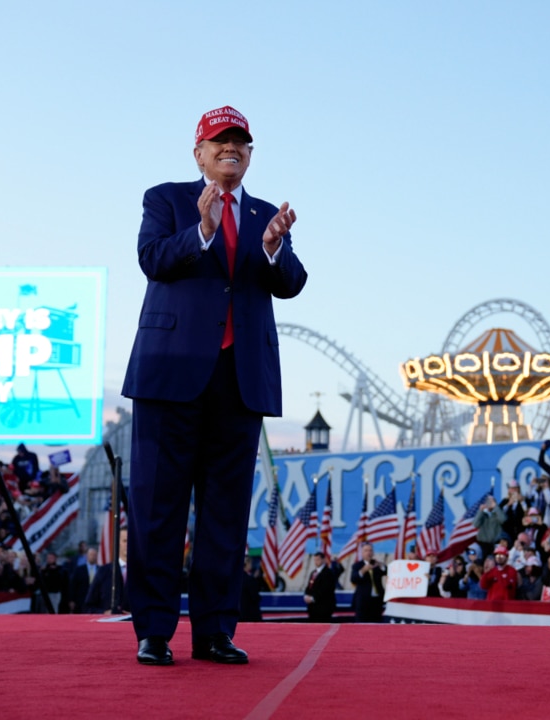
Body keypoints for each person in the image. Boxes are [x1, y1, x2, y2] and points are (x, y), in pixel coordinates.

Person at [121, 106, 306, 667]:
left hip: (240, 378)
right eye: (220, 141)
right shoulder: (167, 199)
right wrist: (200, 231)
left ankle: (215, 633)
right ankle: (154, 631)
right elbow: (151, 259)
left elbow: (292, 283)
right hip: (170, 374)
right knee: (158, 508)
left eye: (241, 142)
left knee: (225, 514)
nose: (232, 148)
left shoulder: (265, 214)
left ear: (250, 154)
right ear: (198, 152)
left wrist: (274, 248)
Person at [350, 543, 386, 622]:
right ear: (362, 553)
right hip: (363, 602)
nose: (368, 552)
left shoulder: (377, 565)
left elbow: (386, 571)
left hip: (376, 601)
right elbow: (353, 579)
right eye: (366, 550)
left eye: (370, 550)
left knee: (376, 625)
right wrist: (364, 570)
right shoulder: (357, 565)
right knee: (362, 625)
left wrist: (380, 565)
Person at [303, 552, 337, 622]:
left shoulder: (328, 573)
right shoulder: (313, 573)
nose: (316, 562)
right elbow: (310, 586)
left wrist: (313, 598)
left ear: (323, 560)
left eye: (318, 560)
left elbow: (326, 589)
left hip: (324, 607)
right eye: (315, 560)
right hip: (313, 607)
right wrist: (306, 595)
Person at [68, 548, 99, 614]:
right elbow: (73, 585)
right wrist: (71, 600)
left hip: (96, 602)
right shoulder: (79, 570)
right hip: (81, 601)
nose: (93, 557)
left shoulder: (100, 570)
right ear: (87, 556)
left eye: (94, 555)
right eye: (91, 555)